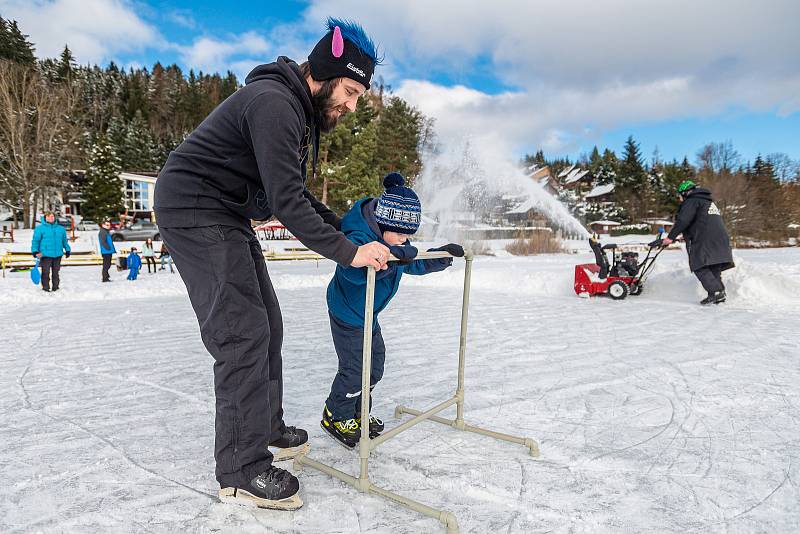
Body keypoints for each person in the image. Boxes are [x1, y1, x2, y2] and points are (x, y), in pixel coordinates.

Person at [153, 18, 391, 510]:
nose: (349, 106)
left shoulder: (294, 111)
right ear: (322, 73)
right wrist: (350, 252)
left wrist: (352, 236)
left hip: (225, 211)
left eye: (357, 97)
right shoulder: (274, 105)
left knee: (268, 323)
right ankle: (241, 470)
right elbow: (286, 202)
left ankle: (265, 428)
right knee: (242, 332)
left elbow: (296, 192)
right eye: (348, 91)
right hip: (194, 207)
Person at [321, 173, 464, 448]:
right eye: (400, 233)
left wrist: (440, 256)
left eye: (408, 235)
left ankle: (359, 412)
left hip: (368, 314)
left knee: (375, 366)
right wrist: (392, 256)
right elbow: (355, 275)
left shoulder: (395, 241)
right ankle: (336, 415)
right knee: (354, 370)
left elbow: (412, 262)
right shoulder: (357, 237)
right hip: (348, 313)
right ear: (383, 222)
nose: (404, 240)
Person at [662, 180, 734, 305]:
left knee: (698, 265)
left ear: (685, 193)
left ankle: (716, 291)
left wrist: (670, 237)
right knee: (713, 266)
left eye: (680, 195)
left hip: (705, 239)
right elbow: (700, 222)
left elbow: (683, 220)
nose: (680, 199)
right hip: (720, 238)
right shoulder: (708, 202)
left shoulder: (692, 201)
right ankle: (717, 294)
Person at [31, 211, 71, 292]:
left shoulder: (61, 229)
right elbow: (35, 241)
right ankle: (45, 288)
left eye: (52, 216)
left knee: (56, 272)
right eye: (48, 216)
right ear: (45, 218)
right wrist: (35, 251)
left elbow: (64, 241)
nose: (51, 218)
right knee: (45, 272)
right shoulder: (40, 229)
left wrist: (67, 249)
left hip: (58, 254)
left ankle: (56, 288)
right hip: (45, 254)